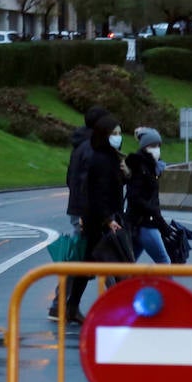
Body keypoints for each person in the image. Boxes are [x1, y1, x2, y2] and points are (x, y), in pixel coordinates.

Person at [63, 112, 126, 323]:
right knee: (116, 264)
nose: (118, 137)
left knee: (88, 265)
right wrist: (108, 219)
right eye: (113, 133)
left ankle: (71, 306)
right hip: (99, 221)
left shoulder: (110, 156)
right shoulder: (100, 158)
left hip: (99, 219)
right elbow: (98, 192)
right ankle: (123, 307)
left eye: (119, 133)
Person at [49, 105, 107, 322]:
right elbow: (85, 183)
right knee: (96, 258)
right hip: (87, 213)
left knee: (85, 258)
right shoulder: (90, 148)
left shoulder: (83, 146)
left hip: (84, 211)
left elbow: (71, 180)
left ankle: (63, 305)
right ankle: (61, 304)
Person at [125, 128, 171, 264]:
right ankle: (168, 287)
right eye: (152, 146)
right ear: (144, 147)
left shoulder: (150, 167)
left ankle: (119, 285)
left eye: (158, 146)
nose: (156, 149)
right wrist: (160, 221)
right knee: (164, 261)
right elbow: (138, 198)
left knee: (128, 265)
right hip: (145, 224)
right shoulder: (141, 168)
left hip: (137, 224)